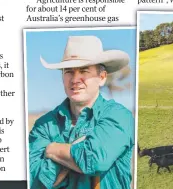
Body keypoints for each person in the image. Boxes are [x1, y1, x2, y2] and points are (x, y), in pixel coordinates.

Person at [28, 36, 134, 189]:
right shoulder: (44, 125)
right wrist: (75, 157)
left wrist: (52, 150)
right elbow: (34, 180)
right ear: (63, 77)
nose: (75, 79)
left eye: (84, 70)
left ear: (102, 77)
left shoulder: (119, 116)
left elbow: (96, 160)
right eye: (69, 72)